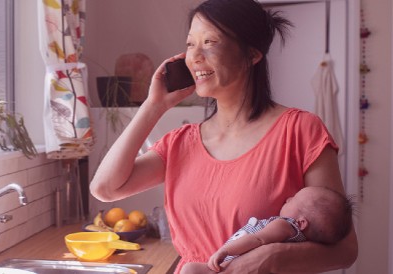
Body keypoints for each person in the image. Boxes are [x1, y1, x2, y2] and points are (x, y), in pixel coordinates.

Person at [89, 0, 358, 272]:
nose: (194, 56)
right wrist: (153, 106)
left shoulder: (301, 130)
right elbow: (105, 188)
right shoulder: (179, 143)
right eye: (190, 44)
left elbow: (346, 250)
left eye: (210, 42)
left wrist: (275, 256)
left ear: (252, 54)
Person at [180, 186, 354, 274]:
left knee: (190, 270)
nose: (288, 198)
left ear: (301, 223)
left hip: (231, 267)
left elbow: (257, 239)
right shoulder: (301, 241)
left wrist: (225, 250)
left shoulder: (285, 225)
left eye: (294, 200)